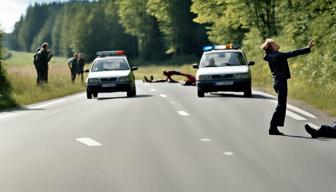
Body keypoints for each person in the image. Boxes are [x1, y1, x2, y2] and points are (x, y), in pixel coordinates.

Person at [260, 39, 314, 135]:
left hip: (277, 82)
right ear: (270, 47)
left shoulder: (270, 56)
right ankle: (273, 127)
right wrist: (307, 48)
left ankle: (274, 127)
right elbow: (293, 53)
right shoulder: (277, 55)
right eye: (273, 43)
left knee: (281, 105)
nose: (276, 44)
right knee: (281, 105)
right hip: (281, 82)